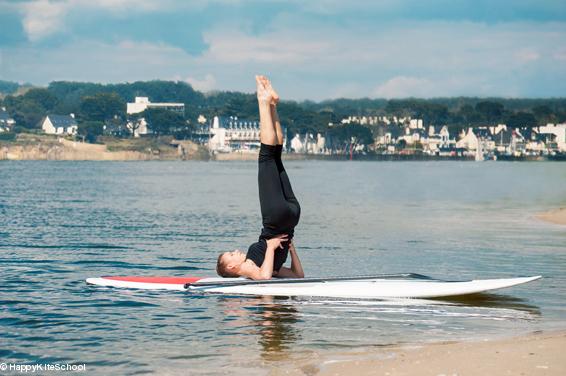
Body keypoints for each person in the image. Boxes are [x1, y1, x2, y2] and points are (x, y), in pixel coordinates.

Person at [216, 75, 304, 280]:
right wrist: (272, 248)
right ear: (231, 268)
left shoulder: (266, 264)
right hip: (276, 218)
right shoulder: (246, 268)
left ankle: (272, 104)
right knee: (266, 157)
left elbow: (297, 276)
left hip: (292, 217)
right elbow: (263, 279)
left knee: (275, 156)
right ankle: (264, 103)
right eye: (231, 255)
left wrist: (291, 251)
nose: (235, 251)